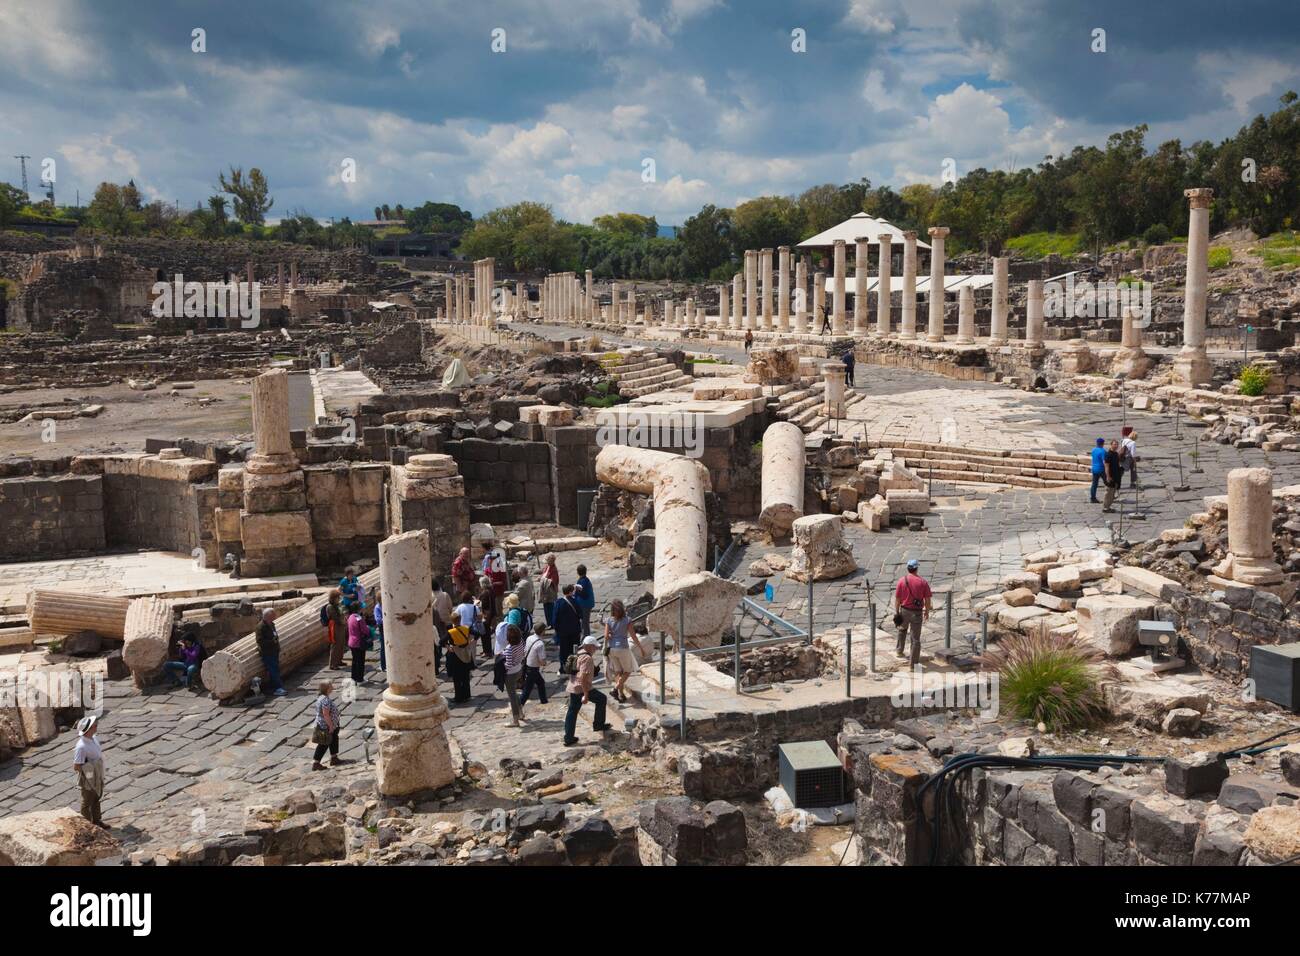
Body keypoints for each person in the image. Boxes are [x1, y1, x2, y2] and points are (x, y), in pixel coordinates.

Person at [564, 636, 612, 746]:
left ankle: (568, 737)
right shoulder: (587, 658)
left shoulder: (579, 653)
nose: (595, 649)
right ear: (589, 646)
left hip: (573, 686)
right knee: (601, 699)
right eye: (594, 647)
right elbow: (583, 678)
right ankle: (598, 724)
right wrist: (586, 695)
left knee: (572, 712)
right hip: (582, 688)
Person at [603, 599, 645, 703]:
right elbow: (633, 636)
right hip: (623, 648)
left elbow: (605, 635)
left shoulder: (609, 620)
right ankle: (615, 689)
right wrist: (640, 648)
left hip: (612, 649)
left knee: (618, 672)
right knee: (628, 671)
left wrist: (610, 635)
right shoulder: (627, 620)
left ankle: (621, 695)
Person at [893, 559, 932, 666]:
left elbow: (897, 599)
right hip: (917, 613)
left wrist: (897, 612)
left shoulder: (901, 581)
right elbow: (927, 600)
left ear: (908, 568)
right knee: (915, 639)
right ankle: (913, 664)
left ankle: (899, 651)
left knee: (902, 630)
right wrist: (927, 612)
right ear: (916, 568)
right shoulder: (923, 582)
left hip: (904, 610)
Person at [72, 714, 106, 827]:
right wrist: (90, 772)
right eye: (94, 726)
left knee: (97, 797)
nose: (96, 726)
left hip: (98, 772)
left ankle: (97, 821)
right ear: (88, 730)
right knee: (87, 801)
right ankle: (87, 826)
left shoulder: (94, 738)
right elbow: (76, 766)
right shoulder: (81, 747)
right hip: (89, 776)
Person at [311, 680, 345, 771]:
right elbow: (326, 714)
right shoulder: (325, 700)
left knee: (333, 739)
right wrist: (331, 726)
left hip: (329, 724)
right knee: (323, 743)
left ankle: (334, 758)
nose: (332, 687)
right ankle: (316, 763)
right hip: (326, 726)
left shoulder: (321, 697)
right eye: (331, 686)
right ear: (327, 688)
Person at [444, 610, 474, 704]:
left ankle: (459, 697)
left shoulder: (451, 632)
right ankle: (467, 695)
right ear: (460, 619)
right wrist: (470, 641)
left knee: (457, 677)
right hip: (465, 653)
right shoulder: (466, 628)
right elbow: (477, 634)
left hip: (455, 655)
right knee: (465, 675)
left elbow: (441, 641)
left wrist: (448, 647)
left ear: (452, 621)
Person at [553, 583, 583, 675]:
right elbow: (581, 615)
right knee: (574, 650)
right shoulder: (575, 602)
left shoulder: (558, 602)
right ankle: (574, 668)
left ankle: (563, 668)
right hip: (574, 631)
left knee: (563, 651)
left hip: (563, 632)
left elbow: (554, 619)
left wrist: (557, 629)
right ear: (570, 592)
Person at [257, 608, 286, 696]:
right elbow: (260, 641)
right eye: (273, 615)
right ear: (268, 616)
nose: (275, 616)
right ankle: (278, 688)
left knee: (275, 669)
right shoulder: (261, 627)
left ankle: (273, 687)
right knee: (273, 669)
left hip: (274, 650)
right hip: (267, 652)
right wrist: (272, 641)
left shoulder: (271, 624)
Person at [520, 622, 549, 705]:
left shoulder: (529, 638)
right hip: (533, 669)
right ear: (543, 631)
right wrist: (544, 663)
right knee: (527, 690)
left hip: (527, 665)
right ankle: (519, 706)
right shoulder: (540, 644)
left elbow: (525, 650)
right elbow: (542, 660)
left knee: (541, 683)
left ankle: (544, 701)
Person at [502, 625, 526, 726]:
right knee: (514, 693)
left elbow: (508, 664)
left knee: (512, 696)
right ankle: (520, 713)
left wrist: (500, 664)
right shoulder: (521, 642)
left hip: (510, 674)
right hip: (519, 670)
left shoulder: (509, 649)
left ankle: (515, 719)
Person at [432, 577, 454, 676]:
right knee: (450, 639)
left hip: (437, 623)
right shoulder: (445, 595)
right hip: (447, 621)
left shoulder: (430, 596)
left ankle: (439, 657)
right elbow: (450, 606)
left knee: (438, 641)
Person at [324, 589, 348, 669]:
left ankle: (339, 661)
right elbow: (335, 618)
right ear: (333, 598)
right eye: (338, 598)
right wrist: (342, 621)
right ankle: (332, 664)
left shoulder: (338, 605)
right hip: (335, 626)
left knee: (341, 643)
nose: (339, 599)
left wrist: (345, 618)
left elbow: (344, 611)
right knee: (335, 644)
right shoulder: (330, 607)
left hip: (341, 625)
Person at [346, 602, 368, 684]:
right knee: (361, 661)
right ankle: (360, 679)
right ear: (359, 609)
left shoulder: (350, 617)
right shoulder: (359, 618)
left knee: (355, 661)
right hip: (358, 642)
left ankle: (354, 677)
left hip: (351, 642)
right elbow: (365, 630)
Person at [477, 579, 499, 659]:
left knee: (485, 634)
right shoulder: (491, 590)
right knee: (487, 633)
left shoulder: (484, 593)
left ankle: (487, 652)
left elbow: (482, 604)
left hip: (486, 615)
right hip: (492, 614)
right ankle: (486, 650)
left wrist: (476, 601)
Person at [574, 564, 595, 637]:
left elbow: (584, 594)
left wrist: (577, 590)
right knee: (584, 621)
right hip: (586, 603)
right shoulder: (585, 579)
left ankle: (586, 637)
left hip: (585, 604)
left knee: (585, 622)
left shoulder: (583, 581)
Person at [1102, 438, 1123, 513]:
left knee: (1112, 493)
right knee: (1108, 493)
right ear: (1111, 445)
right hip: (1110, 476)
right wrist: (1108, 476)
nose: (1116, 446)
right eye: (1114, 444)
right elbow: (1106, 466)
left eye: (1117, 444)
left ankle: (1108, 507)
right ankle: (1105, 507)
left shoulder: (1116, 454)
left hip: (1115, 476)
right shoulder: (1108, 455)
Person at [540, 553, 560, 629]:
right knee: (546, 607)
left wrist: (543, 579)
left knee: (550, 608)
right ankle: (549, 622)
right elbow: (543, 574)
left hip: (550, 592)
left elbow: (553, 581)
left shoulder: (554, 570)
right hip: (545, 592)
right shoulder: (547, 567)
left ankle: (552, 623)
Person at [1089, 437, 1106, 504]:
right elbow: (1104, 461)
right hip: (1101, 469)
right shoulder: (1103, 451)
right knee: (1107, 483)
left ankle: (1093, 498)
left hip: (1094, 469)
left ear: (1097, 443)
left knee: (1094, 484)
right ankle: (1109, 496)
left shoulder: (1093, 450)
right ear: (1103, 444)